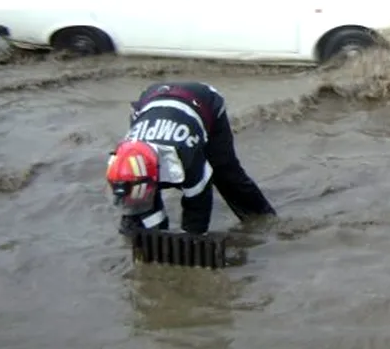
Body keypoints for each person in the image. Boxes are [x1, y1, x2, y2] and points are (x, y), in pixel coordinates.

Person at [105, 82, 276, 235]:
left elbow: (198, 204)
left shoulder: (185, 159)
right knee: (136, 201)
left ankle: (264, 221)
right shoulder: (122, 159)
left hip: (204, 101)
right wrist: (155, 235)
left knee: (225, 174)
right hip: (150, 101)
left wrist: (190, 237)